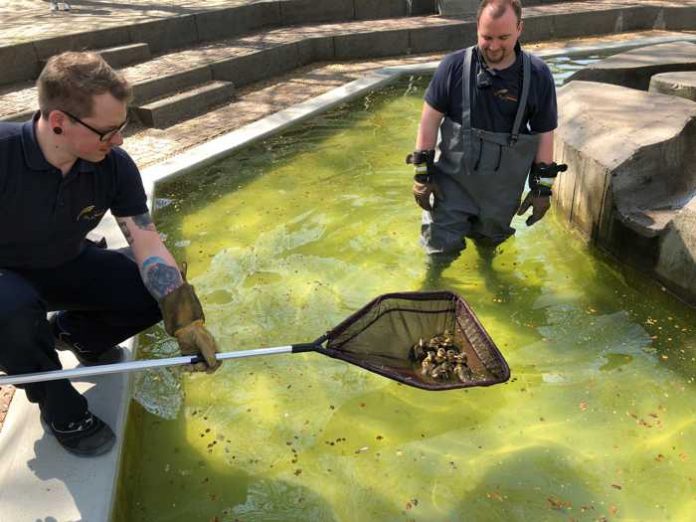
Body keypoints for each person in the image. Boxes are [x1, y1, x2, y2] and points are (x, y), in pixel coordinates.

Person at [0, 51, 220, 457]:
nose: (118, 140)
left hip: (66, 263)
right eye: (107, 131)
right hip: (5, 280)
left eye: (121, 127)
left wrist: (185, 320)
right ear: (59, 123)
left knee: (155, 292)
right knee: (11, 310)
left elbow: (147, 242)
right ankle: (59, 407)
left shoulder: (112, 165)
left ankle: (70, 334)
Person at [407, 0, 566, 282]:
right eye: (486, 37)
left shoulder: (538, 75)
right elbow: (429, 120)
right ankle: (430, 285)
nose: (493, 46)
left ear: (519, 29)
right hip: (452, 184)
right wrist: (422, 173)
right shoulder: (454, 66)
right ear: (476, 29)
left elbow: (544, 134)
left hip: (501, 192)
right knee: (439, 248)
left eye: (503, 38)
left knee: (490, 244)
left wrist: (542, 189)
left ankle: (489, 274)